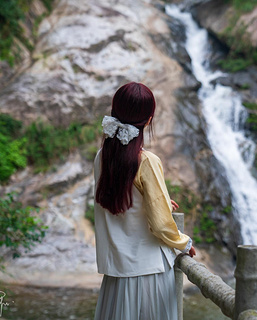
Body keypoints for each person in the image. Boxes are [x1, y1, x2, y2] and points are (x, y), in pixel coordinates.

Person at [93, 82, 196, 320]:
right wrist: (183, 243)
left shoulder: (101, 157)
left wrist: (153, 202)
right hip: (148, 272)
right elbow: (161, 225)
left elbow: (117, 199)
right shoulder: (147, 161)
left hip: (117, 274)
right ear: (148, 120)